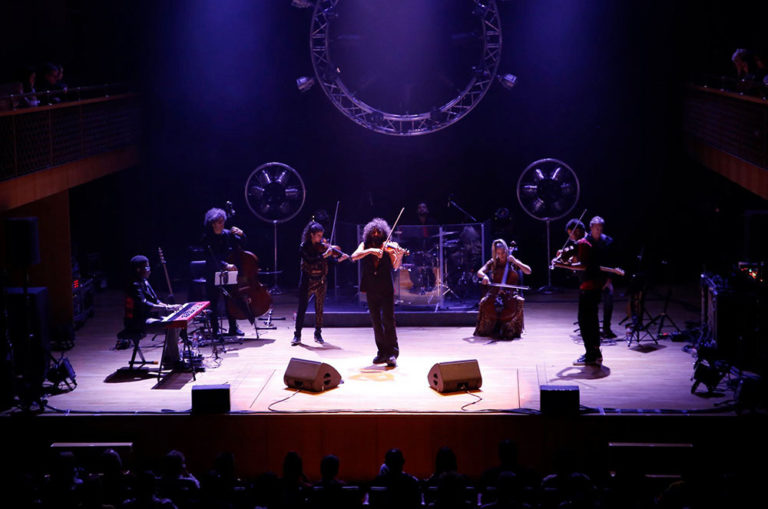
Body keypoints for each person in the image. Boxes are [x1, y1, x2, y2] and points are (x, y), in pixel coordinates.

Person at [351, 218, 407, 367]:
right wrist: (371, 250)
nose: (376, 235)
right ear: (369, 233)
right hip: (371, 287)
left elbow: (395, 266)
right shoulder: (365, 245)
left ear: (384, 233)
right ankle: (381, 352)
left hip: (386, 287)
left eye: (379, 232)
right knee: (376, 321)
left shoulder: (389, 246)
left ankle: (392, 353)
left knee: (388, 321)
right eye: (373, 232)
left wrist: (399, 255)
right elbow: (354, 256)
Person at [553, 226, 605, 366]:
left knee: (584, 321)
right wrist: (566, 260)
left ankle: (590, 355)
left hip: (588, 288)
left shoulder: (583, 243)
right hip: (594, 287)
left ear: (576, 231)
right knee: (592, 321)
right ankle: (596, 353)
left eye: (571, 234)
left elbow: (583, 266)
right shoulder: (588, 242)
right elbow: (579, 262)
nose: (571, 238)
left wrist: (562, 265)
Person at [292, 221, 348, 346]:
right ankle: (297, 335)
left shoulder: (323, 247)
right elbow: (310, 260)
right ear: (311, 235)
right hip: (308, 280)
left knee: (319, 308)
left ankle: (318, 333)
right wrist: (324, 255)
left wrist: (339, 259)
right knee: (302, 308)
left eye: (321, 236)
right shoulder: (303, 247)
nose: (321, 239)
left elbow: (330, 261)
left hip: (321, 280)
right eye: (318, 236)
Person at [124, 255, 182, 367]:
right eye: (147, 268)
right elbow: (145, 305)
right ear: (138, 270)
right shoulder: (133, 285)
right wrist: (167, 308)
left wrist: (170, 306)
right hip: (138, 321)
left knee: (177, 323)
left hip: (148, 318)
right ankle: (175, 361)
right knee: (171, 326)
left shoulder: (145, 281)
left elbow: (155, 301)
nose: (149, 271)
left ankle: (168, 358)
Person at [202, 207, 248, 338]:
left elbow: (243, 244)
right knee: (214, 302)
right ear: (213, 223)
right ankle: (215, 330)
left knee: (231, 300)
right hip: (212, 272)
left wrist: (242, 234)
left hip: (228, 273)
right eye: (219, 222)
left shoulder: (227, 234)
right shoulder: (206, 238)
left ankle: (233, 328)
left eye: (223, 221)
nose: (222, 224)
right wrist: (225, 265)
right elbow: (210, 257)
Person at [474, 239, 532, 340]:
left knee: (519, 301)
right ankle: (488, 328)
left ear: (506, 250)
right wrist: (485, 276)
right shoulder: (493, 262)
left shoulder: (512, 262)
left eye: (503, 252)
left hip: (510, 294)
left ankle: (512, 328)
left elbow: (528, 271)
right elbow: (480, 272)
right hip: (495, 292)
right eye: (498, 253)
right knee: (484, 302)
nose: (501, 255)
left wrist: (516, 261)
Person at [588, 216, 617, 339]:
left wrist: (609, 279)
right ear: (591, 228)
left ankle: (606, 328)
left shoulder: (608, 241)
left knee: (609, 299)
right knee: (591, 303)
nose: (599, 231)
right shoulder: (586, 241)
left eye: (600, 229)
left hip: (605, 278)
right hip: (591, 278)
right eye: (596, 229)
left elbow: (612, 262)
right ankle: (592, 328)